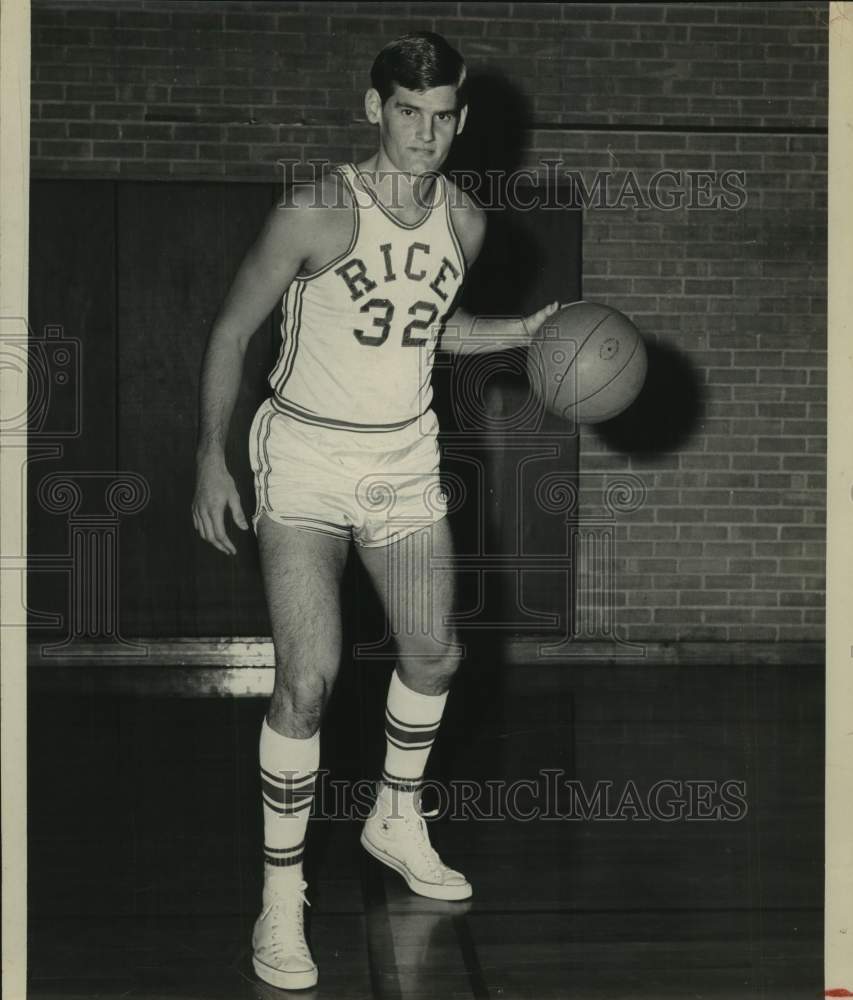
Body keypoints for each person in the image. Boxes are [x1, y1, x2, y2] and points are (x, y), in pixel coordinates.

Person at [192, 31, 558, 992]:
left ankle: (395, 814)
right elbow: (232, 329)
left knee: (434, 654)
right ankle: (280, 903)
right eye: (407, 114)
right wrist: (207, 458)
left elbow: (429, 332)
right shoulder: (315, 208)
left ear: (461, 119)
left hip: (401, 454)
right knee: (306, 681)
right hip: (305, 454)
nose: (425, 136)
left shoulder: (466, 223)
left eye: (442, 119)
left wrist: (519, 331)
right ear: (373, 108)